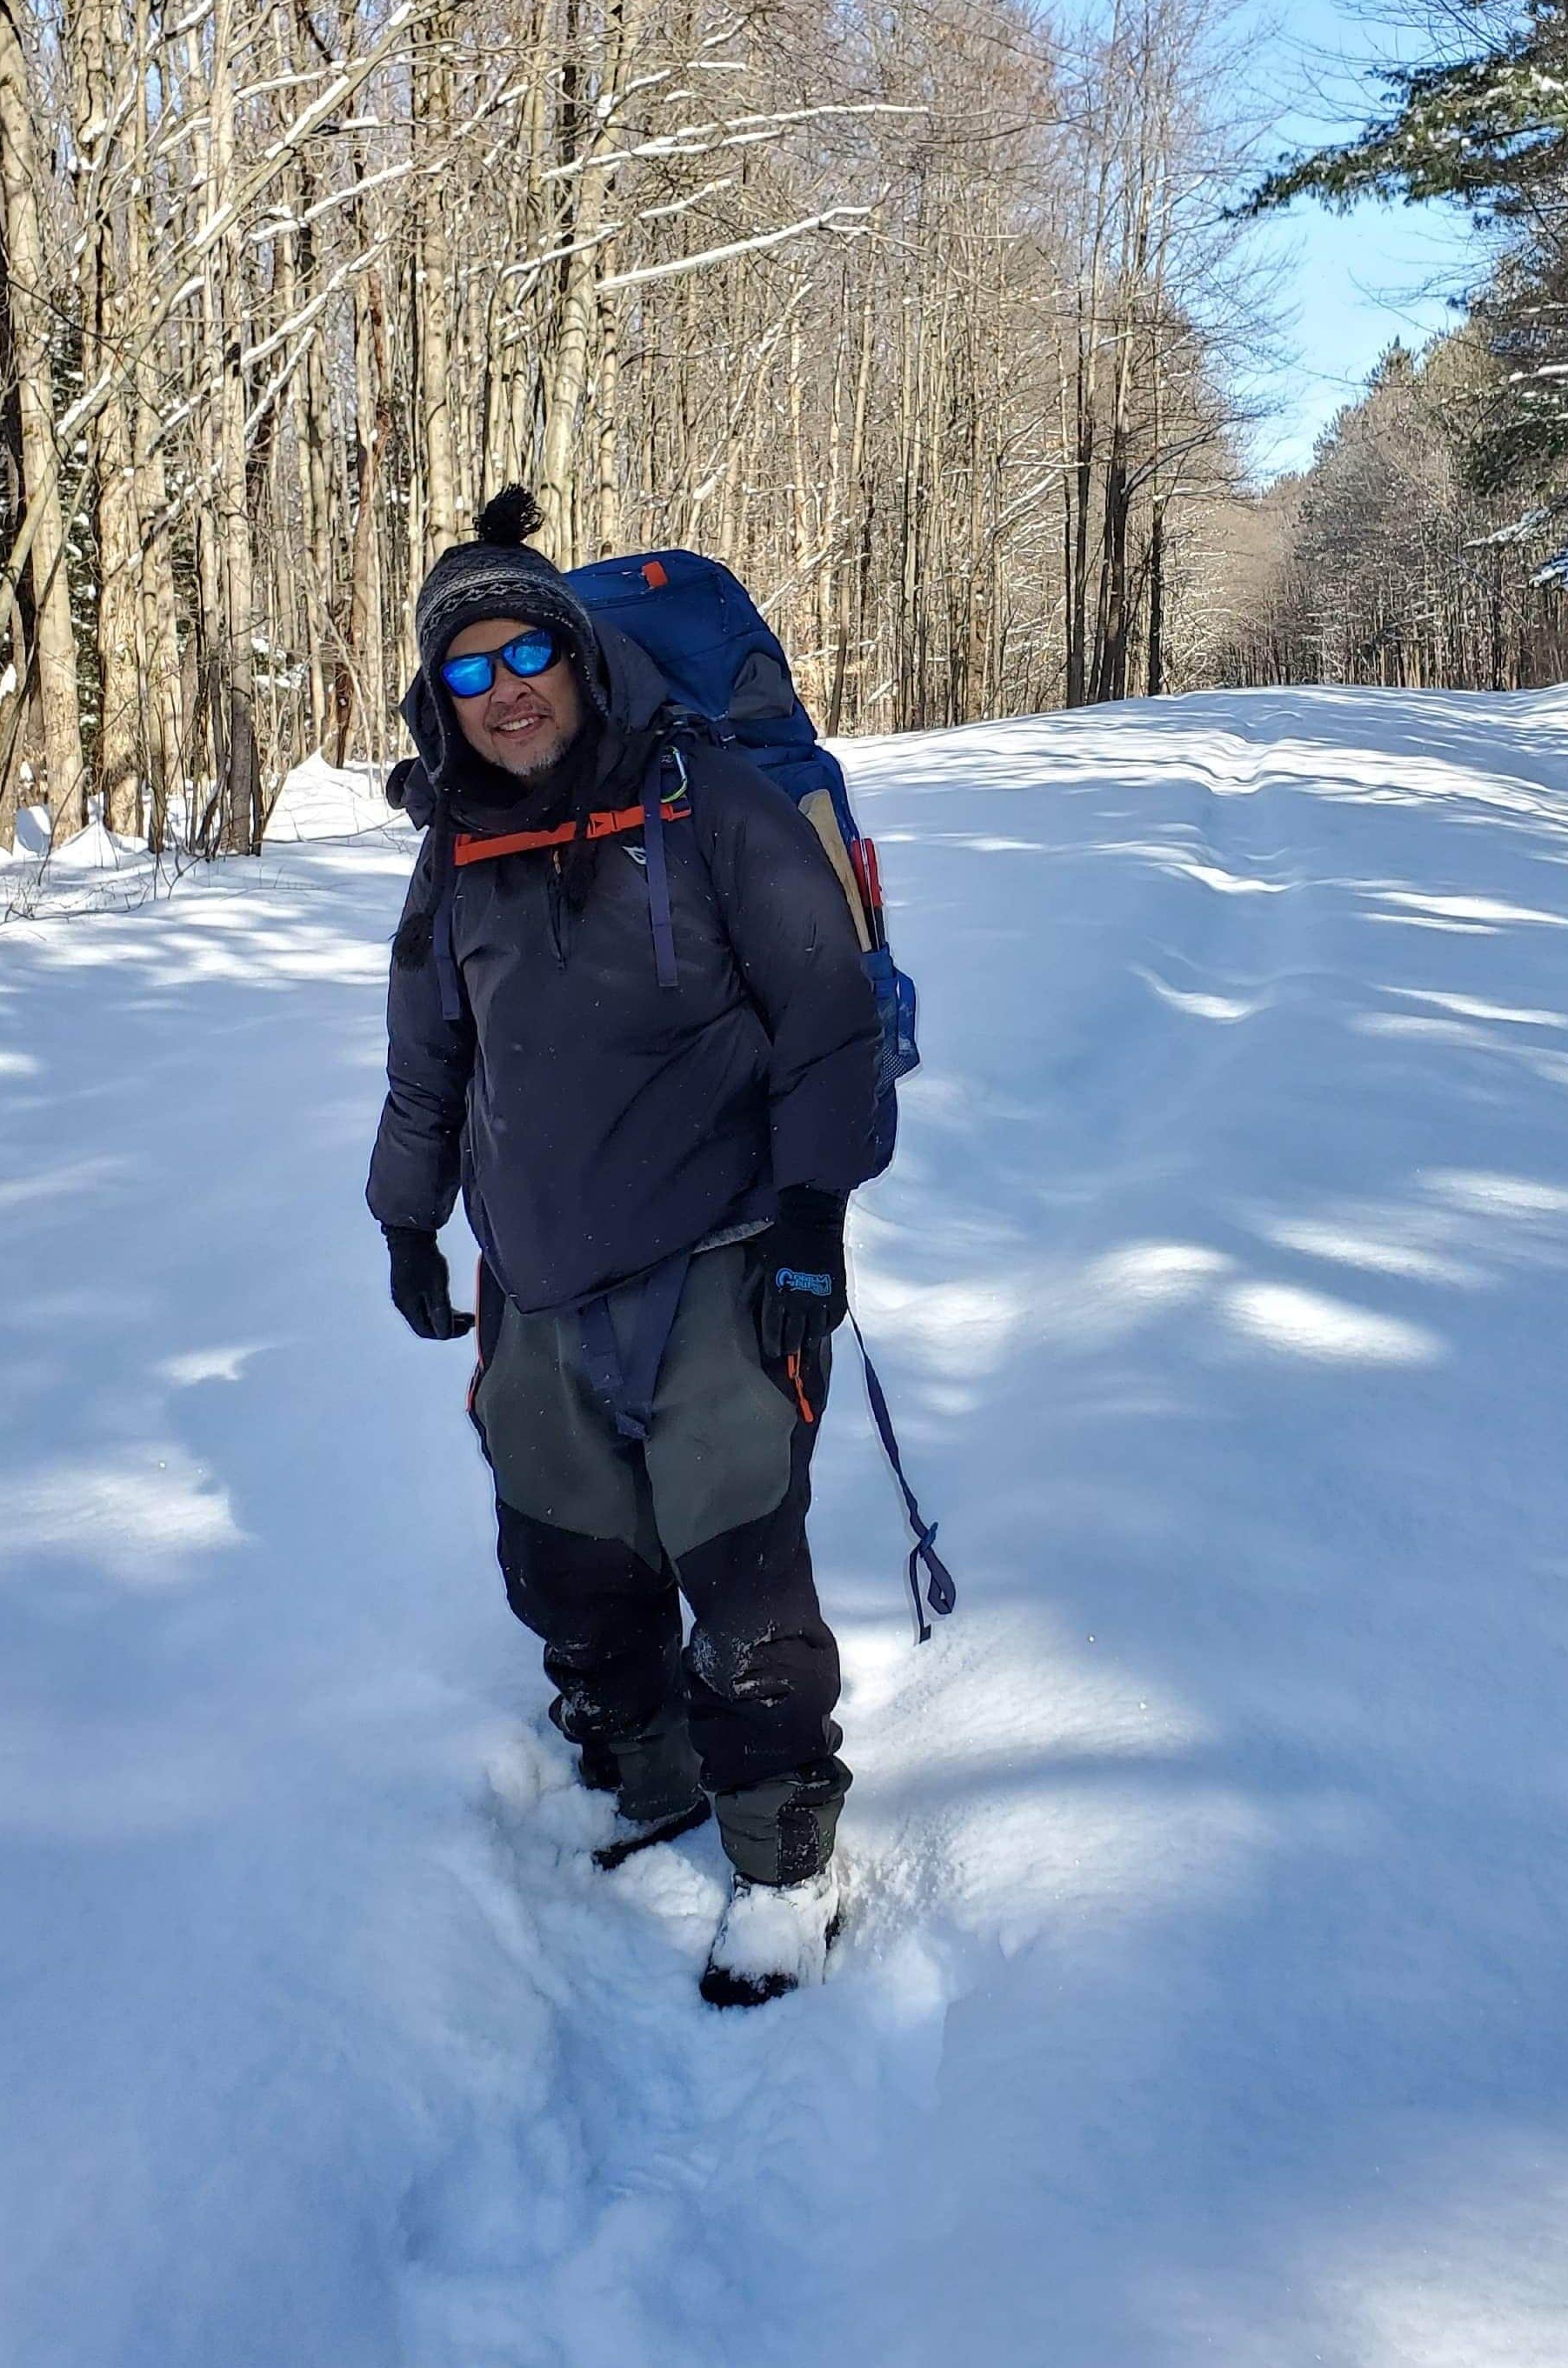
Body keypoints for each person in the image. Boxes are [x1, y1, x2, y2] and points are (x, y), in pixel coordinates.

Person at [367, 487, 884, 2008]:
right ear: (436, 699)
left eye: (526, 654)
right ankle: (642, 1774)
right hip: (536, 1277)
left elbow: (829, 1022)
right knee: (565, 1557)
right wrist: (407, 1216)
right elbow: (428, 1062)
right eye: (467, 672)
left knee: (738, 1568)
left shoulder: (705, 805)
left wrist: (812, 1220)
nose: (504, 691)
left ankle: (785, 1867)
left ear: (579, 657)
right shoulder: (454, 851)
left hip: (722, 1247)